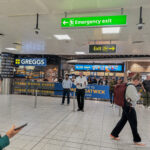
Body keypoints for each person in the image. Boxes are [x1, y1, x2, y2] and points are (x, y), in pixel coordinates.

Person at [110, 73, 145, 146]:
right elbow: (134, 98)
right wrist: (139, 95)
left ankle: (114, 134)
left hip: (125, 106)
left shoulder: (127, 84)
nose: (138, 83)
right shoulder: (131, 87)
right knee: (134, 124)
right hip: (130, 107)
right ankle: (137, 140)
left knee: (122, 121)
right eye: (138, 81)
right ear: (136, 80)